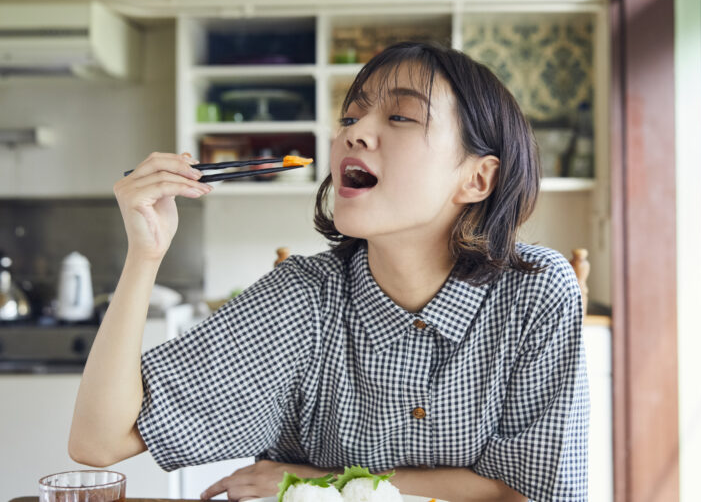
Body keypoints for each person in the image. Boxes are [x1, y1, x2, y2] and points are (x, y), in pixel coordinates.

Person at [69, 41, 589, 502]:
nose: (354, 133)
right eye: (350, 118)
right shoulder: (301, 299)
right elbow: (98, 441)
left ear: (478, 177)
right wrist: (145, 255)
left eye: (401, 117)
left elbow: (528, 492)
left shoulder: (535, 290)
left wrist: (321, 482)